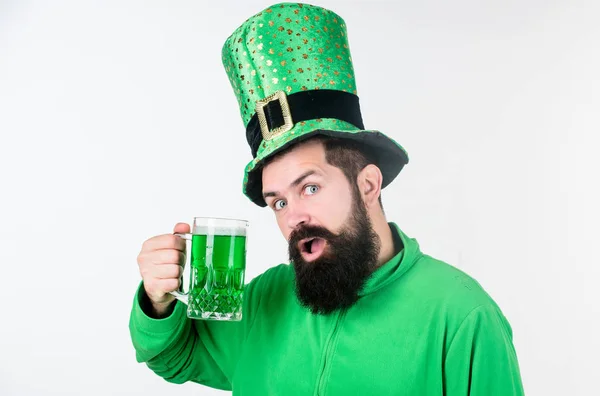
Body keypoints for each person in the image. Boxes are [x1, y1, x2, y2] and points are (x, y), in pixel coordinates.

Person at [129, 3, 525, 395]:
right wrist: (157, 299)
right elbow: (173, 356)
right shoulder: (266, 298)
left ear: (368, 185)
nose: (293, 217)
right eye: (278, 202)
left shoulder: (462, 316)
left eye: (310, 188)